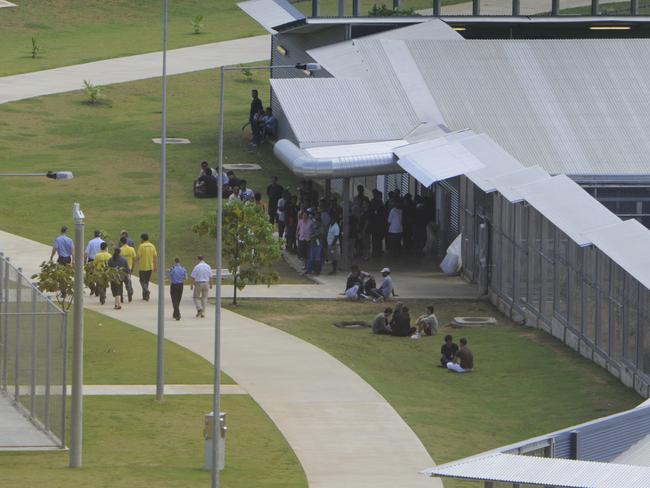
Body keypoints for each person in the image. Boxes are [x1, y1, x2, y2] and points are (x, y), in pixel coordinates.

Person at [136, 233, 157, 301]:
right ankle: (145, 296)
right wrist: (155, 266)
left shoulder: (141, 246)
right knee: (146, 281)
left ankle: (146, 290)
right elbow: (155, 257)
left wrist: (136, 262)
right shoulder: (152, 246)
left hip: (142, 267)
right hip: (150, 266)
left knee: (142, 281)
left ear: (142, 238)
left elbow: (138, 256)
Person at [119, 236, 136, 303]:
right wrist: (133, 267)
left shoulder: (120, 250)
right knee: (128, 280)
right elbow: (134, 259)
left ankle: (121, 296)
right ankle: (129, 290)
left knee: (120, 283)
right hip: (129, 268)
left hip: (122, 269)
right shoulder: (132, 249)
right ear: (126, 241)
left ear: (121, 242)